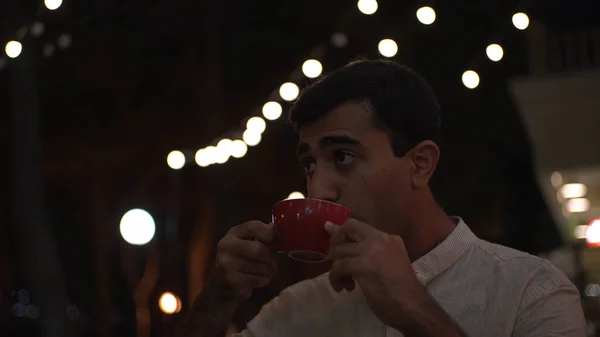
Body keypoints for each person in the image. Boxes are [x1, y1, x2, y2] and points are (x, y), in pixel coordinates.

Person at [173, 60, 586, 337]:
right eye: (310, 165)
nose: (318, 190)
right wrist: (218, 300)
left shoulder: (530, 289)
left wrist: (417, 312)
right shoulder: (299, 309)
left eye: (343, 157)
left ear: (420, 164)